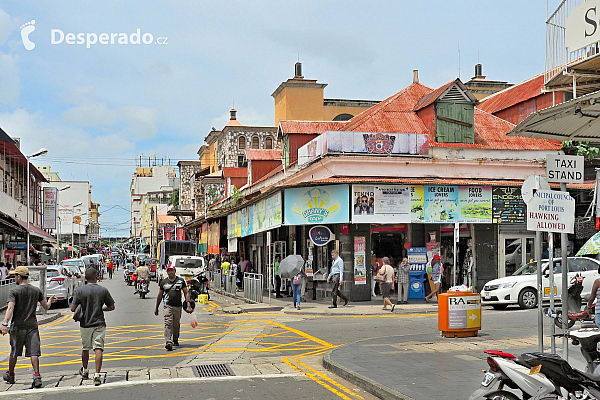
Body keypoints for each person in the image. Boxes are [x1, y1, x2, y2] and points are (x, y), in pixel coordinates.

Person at [1, 266, 55, 388]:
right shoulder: (36, 291)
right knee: (34, 352)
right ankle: (37, 375)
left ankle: (10, 374)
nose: (14, 277)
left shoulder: (14, 291)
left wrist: (5, 323)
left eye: (15, 275)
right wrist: (50, 300)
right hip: (32, 326)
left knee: (14, 352)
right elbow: (46, 306)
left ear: (19, 277)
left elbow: (10, 308)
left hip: (17, 327)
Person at [71, 268, 115, 386]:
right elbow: (111, 306)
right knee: (98, 348)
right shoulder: (103, 290)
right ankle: (97, 375)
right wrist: (101, 309)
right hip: (99, 322)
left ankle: (85, 370)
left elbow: (73, 309)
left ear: (85, 278)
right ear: (97, 277)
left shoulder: (80, 291)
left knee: (85, 347)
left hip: (85, 323)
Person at [155, 265, 192, 351]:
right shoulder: (164, 282)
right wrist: (156, 307)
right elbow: (159, 296)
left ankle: (175, 339)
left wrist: (188, 304)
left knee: (176, 325)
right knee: (168, 323)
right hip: (167, 305)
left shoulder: (180, 281)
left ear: (175, 271)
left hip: (178, 306)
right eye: (168, 271)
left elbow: (186, 292)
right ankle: (168, 341)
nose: (170, 272)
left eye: (172, 270)